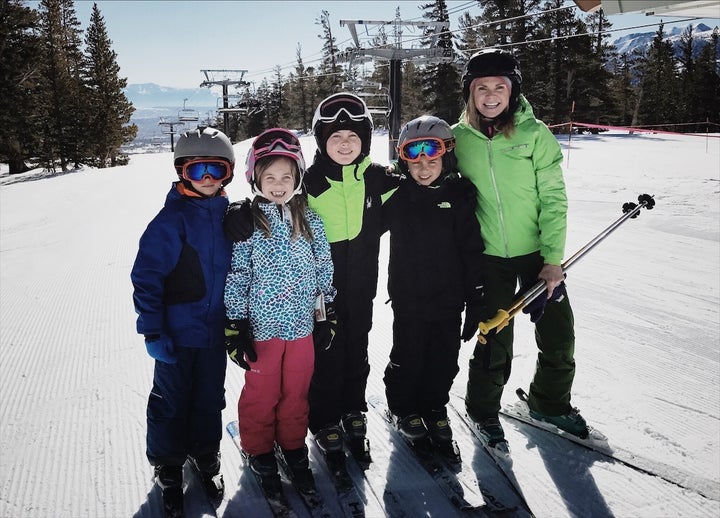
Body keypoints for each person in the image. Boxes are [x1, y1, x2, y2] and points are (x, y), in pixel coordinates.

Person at [452, 48, 587, 449]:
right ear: (469, 94)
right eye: (481, 88)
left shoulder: (534, 134)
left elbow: (553, 198)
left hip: (535, 254)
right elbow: (425, 173)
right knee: (495, 334)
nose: (491, 95)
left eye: (499, 87)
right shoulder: (458, 139)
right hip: (488, 256)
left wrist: (551, 260)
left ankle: (549, 402)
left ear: (513, 91)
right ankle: (482, 409)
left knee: (559, 333)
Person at [223, 128, 336, 495]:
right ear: (254, 178)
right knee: (262, 392)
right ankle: (258, 448)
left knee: (296, 392)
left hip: (302, 327)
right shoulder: (248, 225)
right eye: (269, 176)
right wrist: (236, 323)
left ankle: (292, 444)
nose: (278, 184)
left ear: (298, 178)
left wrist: (326, 313)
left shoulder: (310, 219)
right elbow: (238, 275)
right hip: (263, 330)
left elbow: (323, 267)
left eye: (286, 177)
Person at [130, 126, 234, 516]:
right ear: (181, 172)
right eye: (197, 171)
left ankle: (205, 452)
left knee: (210, 397)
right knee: (171, 400)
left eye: (216, 170)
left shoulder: (230, 216)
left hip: (214, 333)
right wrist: (153, 329)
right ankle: (168, 462)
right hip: (176, 333)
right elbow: (146, 278)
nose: (207, 179)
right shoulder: (169, 222)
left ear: (228, 173)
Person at [303, 93, 400, 459]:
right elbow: (270, 198)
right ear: (321, 141)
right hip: (318, 294)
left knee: (357, 349)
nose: (345, 144)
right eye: (336, 137)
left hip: (362, 288)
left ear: (364, 141)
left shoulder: (378, 181)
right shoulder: (307, 183)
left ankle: (353, 409)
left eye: (353, 137)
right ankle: (325, 417)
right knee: (325, 352)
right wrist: (239, 213)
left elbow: (420, 192)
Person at [382, 115, 486, 454]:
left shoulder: (460, 198)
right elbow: (361, 211)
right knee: (409, 354)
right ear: (404, 162)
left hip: (448, 298)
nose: (424, 168)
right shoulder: (398, 196)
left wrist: (476, 296)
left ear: (448, 158)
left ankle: (434, 405)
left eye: (433, 160)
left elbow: (471, 250)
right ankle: (403, 406)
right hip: (408, 297)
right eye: (415, 162)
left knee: (444, 358)